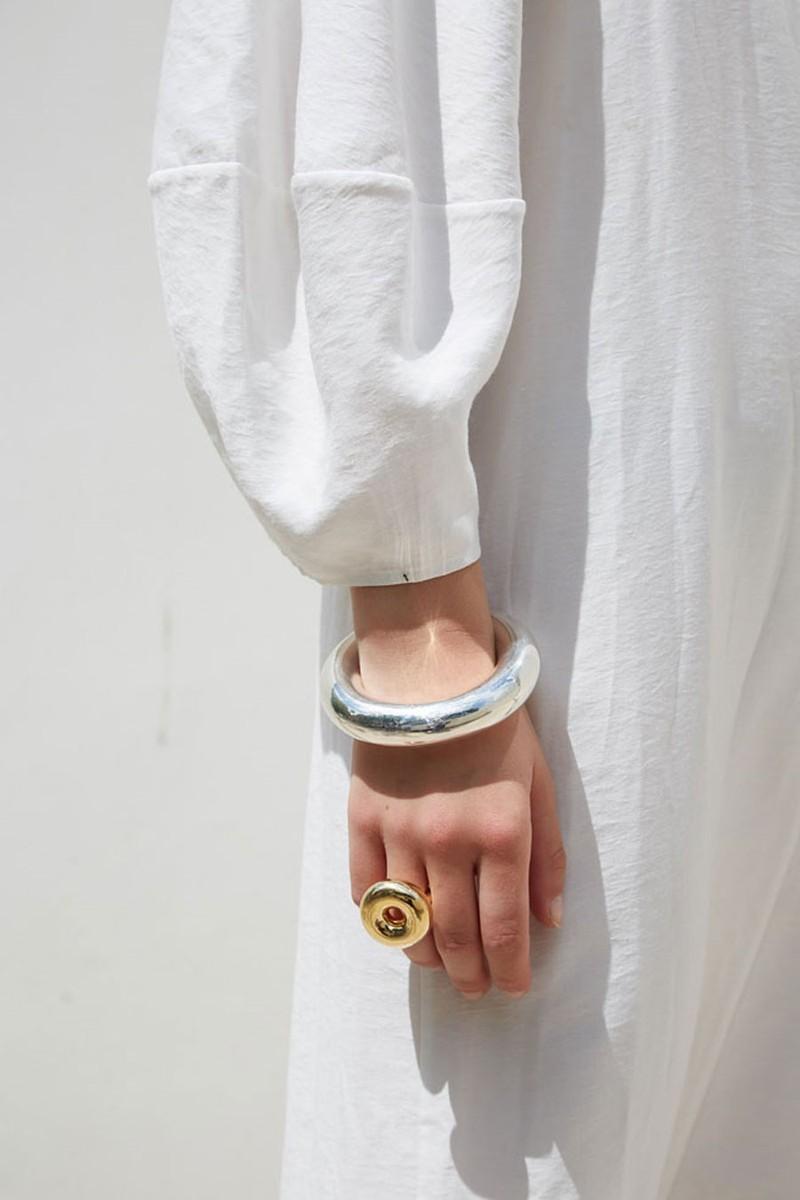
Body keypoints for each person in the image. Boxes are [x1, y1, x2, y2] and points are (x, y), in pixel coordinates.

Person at [148, 1, 800, 1196]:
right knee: (514, 1145)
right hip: (579, 483)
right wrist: (418, 625)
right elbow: (345, 57)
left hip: (748, 472)